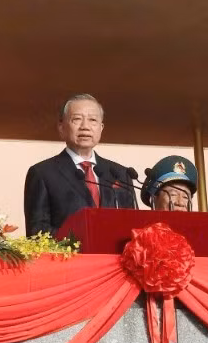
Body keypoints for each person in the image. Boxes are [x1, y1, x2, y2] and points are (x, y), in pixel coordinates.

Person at [24, 94, 136, 237]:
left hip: (113, 259)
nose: (85, 127)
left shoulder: (120, 174)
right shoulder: (42, 173)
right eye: (77, 119)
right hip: (69, 258)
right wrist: (81, 240)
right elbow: (36, 231)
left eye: (92, 120)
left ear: (101, 128)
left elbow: (131, 225)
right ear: (61, 127)